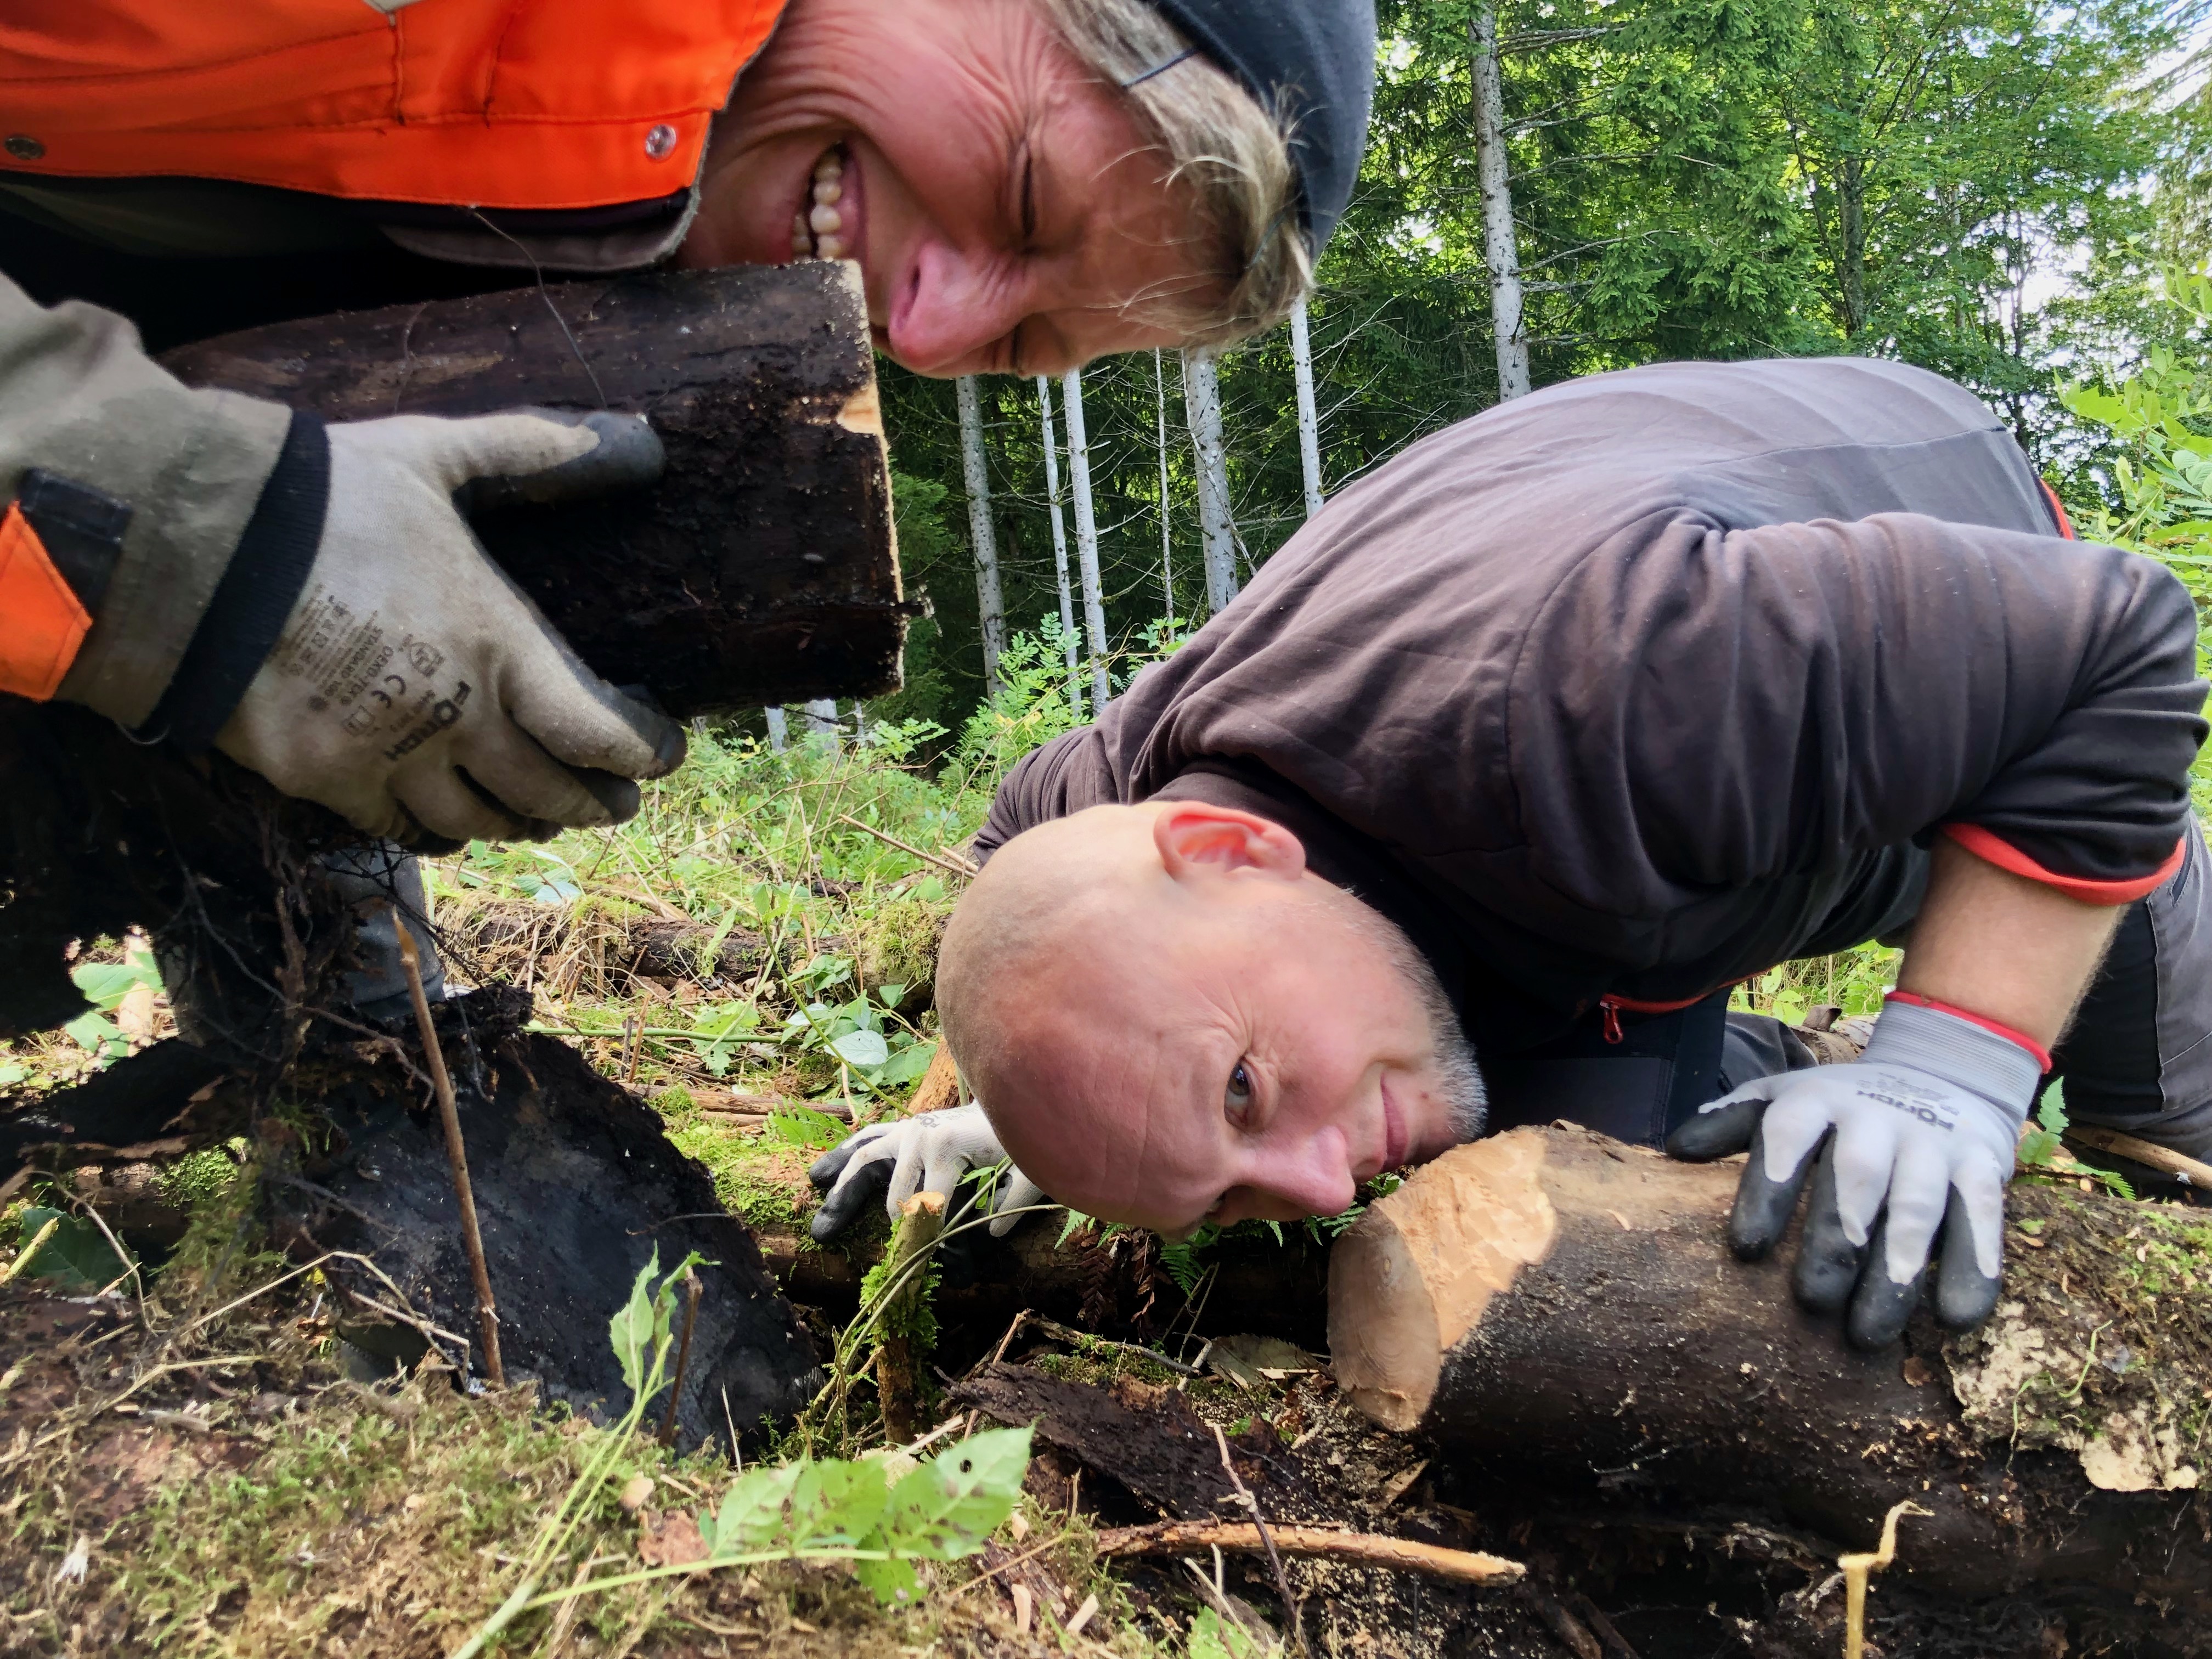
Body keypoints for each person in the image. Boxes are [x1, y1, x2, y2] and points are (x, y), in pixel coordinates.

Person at [807, 354, 2212, 1352]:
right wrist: (1052, 1119)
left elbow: (2116, 650)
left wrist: (1953, 1062)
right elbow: (1018, 889)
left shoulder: (1632, 688)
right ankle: (1795, 1068)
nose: (1315, 1191)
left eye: (1243, 1093)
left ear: (1233, 849)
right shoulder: (1105, 806)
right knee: (1595, 1185)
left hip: (1964, 597)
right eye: (1225, 1194)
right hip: (1557, 827)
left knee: (2155, 1126)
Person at [0, 0, 1372, 848]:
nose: (932, 335)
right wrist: (191, 539)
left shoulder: (597, 238)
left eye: (1020, 347)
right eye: (1020, 195)